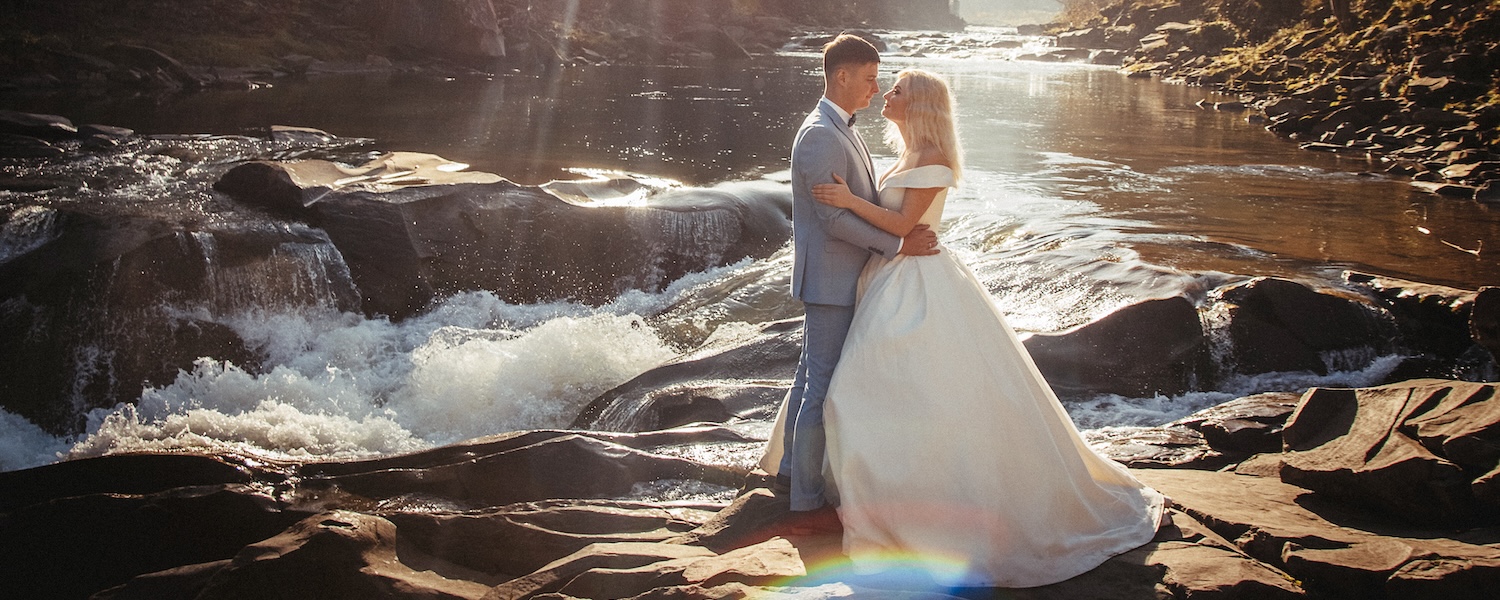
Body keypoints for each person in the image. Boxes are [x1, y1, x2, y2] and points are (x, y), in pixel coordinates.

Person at [766, 68, 1165, 588]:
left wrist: (846, 202)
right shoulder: (906, 155)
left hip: (916, 283)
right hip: (887, 277)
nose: (888, 92)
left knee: (871, 388)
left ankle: (899, 499)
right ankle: (849, 486)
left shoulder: (932, 161)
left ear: (923, 104)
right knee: (864, 386)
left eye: (899, 89)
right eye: (884, 84)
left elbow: (905, 226)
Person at [765, 33, 940, 525]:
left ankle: (787, 472)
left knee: (808, 379)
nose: (875, 88)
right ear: (842, 76)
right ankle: (804, 496)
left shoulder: (840, 126)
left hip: (839, 277)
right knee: (819, 387)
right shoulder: (821, 133)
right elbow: (832, 220)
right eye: (868, 78)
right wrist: (899, 245)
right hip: (831, 280)